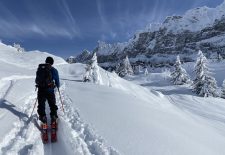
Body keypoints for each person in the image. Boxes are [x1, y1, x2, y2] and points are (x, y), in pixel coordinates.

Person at [35, 56, 60, 124]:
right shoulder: (54, 70)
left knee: (41, 104)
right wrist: (57, 86)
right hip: (49, 90)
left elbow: (37, 80)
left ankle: (43, 117)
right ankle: (53, 116)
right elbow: (57, 80)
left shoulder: (40, 68)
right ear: (52, 63)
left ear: (46, 61)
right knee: (52, 104)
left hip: (41, 90)